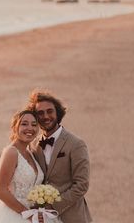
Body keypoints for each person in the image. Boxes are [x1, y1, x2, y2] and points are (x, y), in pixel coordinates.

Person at [27, 90, 92, 223]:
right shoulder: (32, 146)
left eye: (49, 111)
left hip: (72, 217)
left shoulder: (76, 144)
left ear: (57, 112)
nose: (46, 116)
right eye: (40, 113)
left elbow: (81, 185)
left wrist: (52, 207)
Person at [0, 109, 57, 223]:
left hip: (34, 214)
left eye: (34, 124)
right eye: (24, 124)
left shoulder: (30, 153)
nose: (30, 128)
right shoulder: (11, 152)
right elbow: (0, 190)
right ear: (15, 127)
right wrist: (27, 214)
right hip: (14, 215)